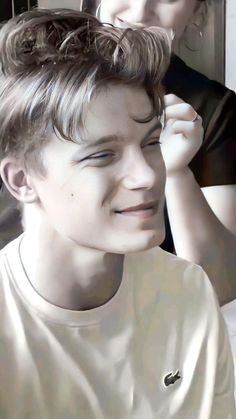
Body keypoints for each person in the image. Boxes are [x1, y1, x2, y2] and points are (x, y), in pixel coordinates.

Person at [0, 8, 235, 418]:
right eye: (102, 155)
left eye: (151, 143)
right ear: (21, 179)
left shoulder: (186, 294)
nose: (146, 176)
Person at [95, 0, 236, 307]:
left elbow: (219, 285)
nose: (140, 12)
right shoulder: (41, 82)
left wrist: (174, 171)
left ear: (198, 12)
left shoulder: (214, 108)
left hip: (155, 313)